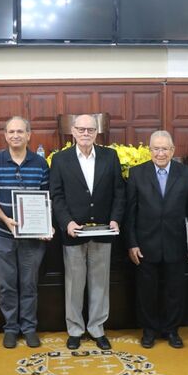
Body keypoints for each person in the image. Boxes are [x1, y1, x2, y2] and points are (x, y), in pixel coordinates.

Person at [50, 114, 125, 351]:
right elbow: (56, 195)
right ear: (73, 131)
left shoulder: (109, 156)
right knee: (74, 283)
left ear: (96, 132)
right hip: (73, 232)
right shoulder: (60, 160)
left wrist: (115, 219)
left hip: (104, 231)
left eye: (90, 130)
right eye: (81, 129)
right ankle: (75, 330)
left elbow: (119, 192)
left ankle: (96, 328)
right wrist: (67, 222)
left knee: (100, 283)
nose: (85, 133)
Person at [125, 131, 188, 349]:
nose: (160, 153)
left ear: (173, 151)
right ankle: (149, 331)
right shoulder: (136, 173)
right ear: (150, 151)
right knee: (147, 291)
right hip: (145, 243)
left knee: (175, 290)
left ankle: (171, 330)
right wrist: (132, 243)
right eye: (156, 149)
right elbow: (130, 213)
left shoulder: (185, 173)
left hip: (176, 241)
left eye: (165, 149)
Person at [0, 116, 50, 349]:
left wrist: (46, 224)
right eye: (11, 132)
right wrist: (5, 219)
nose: (15, 136)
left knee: (29, 284)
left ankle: (29, 327)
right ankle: (11, 328)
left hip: (32, 238)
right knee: (7, 285)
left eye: (20, 131)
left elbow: (46, 199)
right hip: (1, 234)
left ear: (29, 135)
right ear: (5, 135)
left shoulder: (40, 164)